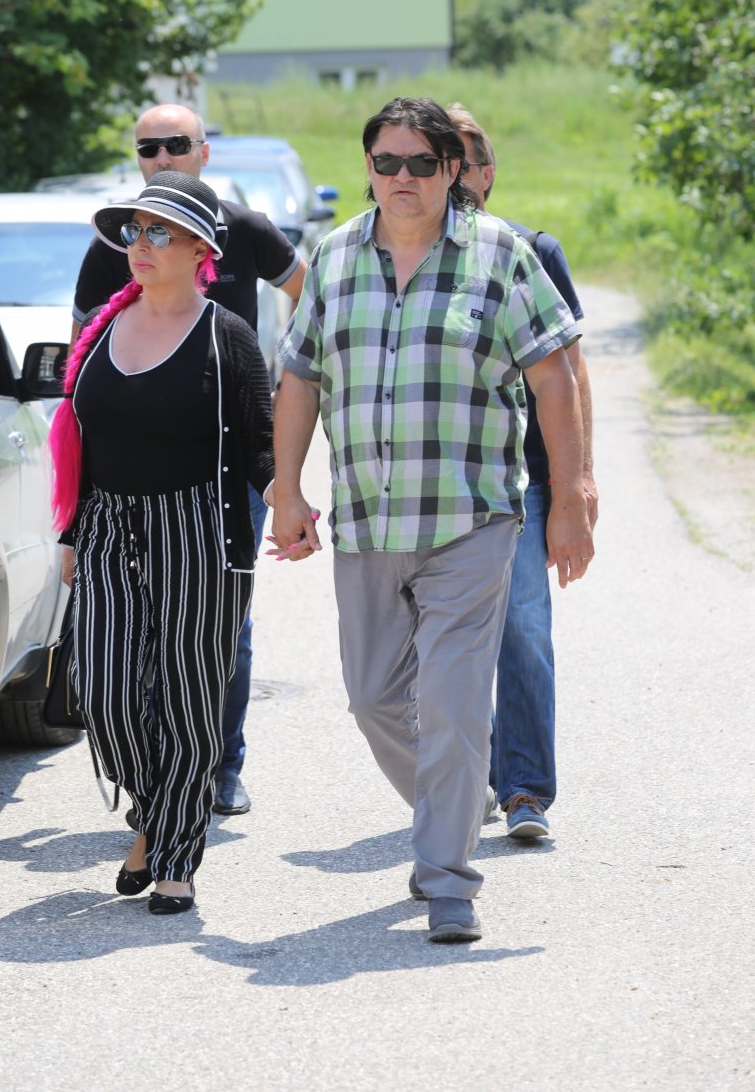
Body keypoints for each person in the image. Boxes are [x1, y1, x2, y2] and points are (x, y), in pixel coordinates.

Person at [268, 97, 594, 943]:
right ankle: (456, 796)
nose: (402, 177)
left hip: (471, 519)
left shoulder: (502, 255)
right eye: (387, 162)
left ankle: (448, 879)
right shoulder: (335, 257)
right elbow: (300, 375)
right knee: (374, 700)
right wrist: (286, 487)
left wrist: (570, 495)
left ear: (453, 170)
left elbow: (554, 376)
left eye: (421, 162)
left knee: (451, 703)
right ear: (369, 168)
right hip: (368, 523)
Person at [72, 102, 306, 818]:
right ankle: (160, 775)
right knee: (125, 647)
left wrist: (297, 388)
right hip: (125, 488)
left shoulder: (246, 232)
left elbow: (313, 301)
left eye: (176, 144)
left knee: (218, 633)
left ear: (204, 151)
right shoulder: (114, 250)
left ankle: (217, 767)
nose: (163, 157)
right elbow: (81, 378)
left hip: (225, 473)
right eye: (149, 148)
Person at [50, 170, 274, 913]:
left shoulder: (227, 336)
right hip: (108, 525)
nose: (139, 245)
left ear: (201, 250)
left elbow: (260, 447)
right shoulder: (103, 327)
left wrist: (287, 501)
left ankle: (176, 853)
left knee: (188, 693)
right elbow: (82, 443)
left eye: (159, 232)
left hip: (199, 529)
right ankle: (152, 805)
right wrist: (72, 532)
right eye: (134, 231)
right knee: (105, 690)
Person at [448, 103, 599, 840]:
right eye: (442, 161)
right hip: (432, 487)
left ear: (489, 173)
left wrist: (578, 482)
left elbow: (571, 369)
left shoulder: (532, 251)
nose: (456, 176)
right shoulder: (397, 260)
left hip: (522, 483)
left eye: (468, 161)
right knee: (439, 645)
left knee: (524, 634)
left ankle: (525, 790)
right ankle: (466, 773)